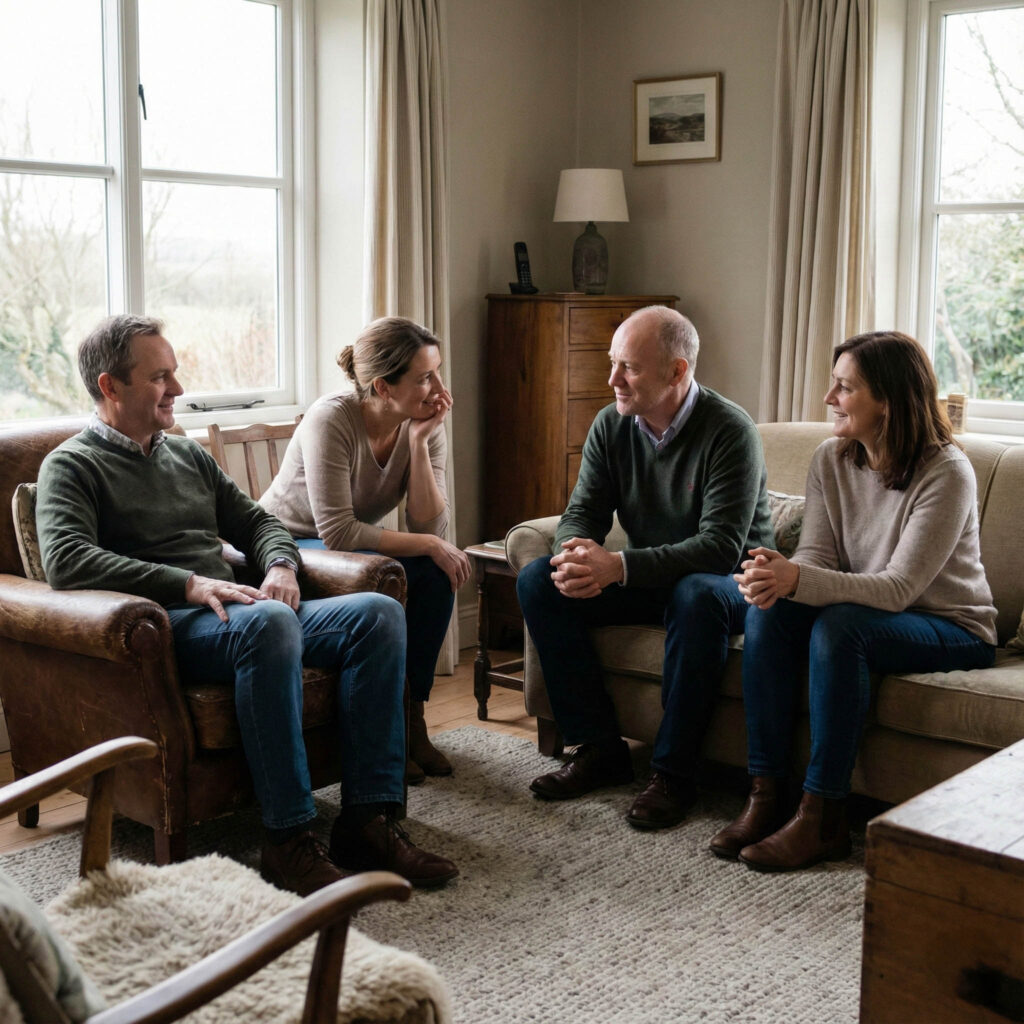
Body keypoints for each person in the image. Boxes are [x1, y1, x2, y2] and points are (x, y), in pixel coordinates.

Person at [35, 314, 459, 896]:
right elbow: (66, 561)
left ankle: (369, 821)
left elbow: (259, 522)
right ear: (111, 387)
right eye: (161, 378)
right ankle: (287, 839)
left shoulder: (186, 457)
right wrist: (187, 583)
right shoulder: (72, 465)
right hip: (169, 624)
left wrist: (282, 565)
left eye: (175, 374)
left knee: (377, 613)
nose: (178, 390)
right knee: (268, 623)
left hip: (242, 608)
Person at [715, 330, 997, 872]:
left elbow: (898, 589)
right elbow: (817, 559)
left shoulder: (946, 471)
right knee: (770, 611)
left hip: (952, 626)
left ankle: (824, 817)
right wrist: (780, 579)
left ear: (888, 401)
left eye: (845, 388)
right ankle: (766, 794)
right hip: (871, 614)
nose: (829, 399)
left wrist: (799, 579)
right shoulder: (832, 459)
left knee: (841, 628)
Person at [517, 305, 774, 829]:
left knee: (696, 593)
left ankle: (673, 774)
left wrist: (618, 567)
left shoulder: (730, 430)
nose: (612, 379)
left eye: (628, 368)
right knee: (539, 581)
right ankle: (598, 748)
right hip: (655, 579)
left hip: (732, 587)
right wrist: (573, 554)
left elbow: (720, 548)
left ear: (677, 371)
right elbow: (582, 512)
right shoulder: (612, 425)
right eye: (613, 363)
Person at [260, 316, 470, 784]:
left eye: (437, 372)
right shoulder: (332, 417)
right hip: (291, 546)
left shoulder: (421, 424)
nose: (438, 388)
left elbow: (428, 521)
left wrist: (417, 441)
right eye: (424, 378)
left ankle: (410, 718)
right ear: (383, 386)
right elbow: (336, 531)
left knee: (434, 575)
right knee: (429, 556)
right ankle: (393, 727)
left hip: (342, 549)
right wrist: (433, 543)